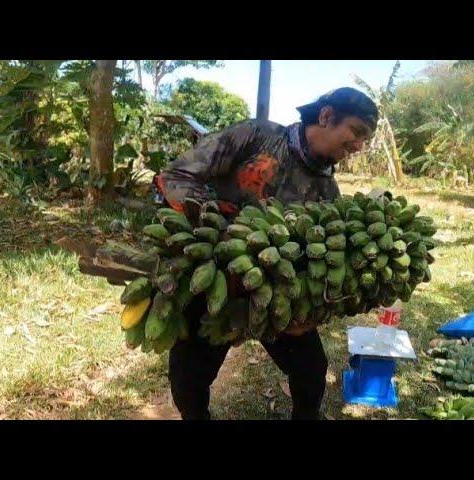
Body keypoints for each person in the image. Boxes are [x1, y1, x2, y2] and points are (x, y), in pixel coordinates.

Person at [153, 87, 379, 420]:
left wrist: (310, 311)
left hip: (271, 297)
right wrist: (220, 226)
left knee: (311, 370)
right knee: (188, 379)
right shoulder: (256, 136)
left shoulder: (327, 192)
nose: (359, 146)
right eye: (357, 132)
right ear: (327, 116)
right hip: (213, 279)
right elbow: (178, 175)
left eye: (365, 139)